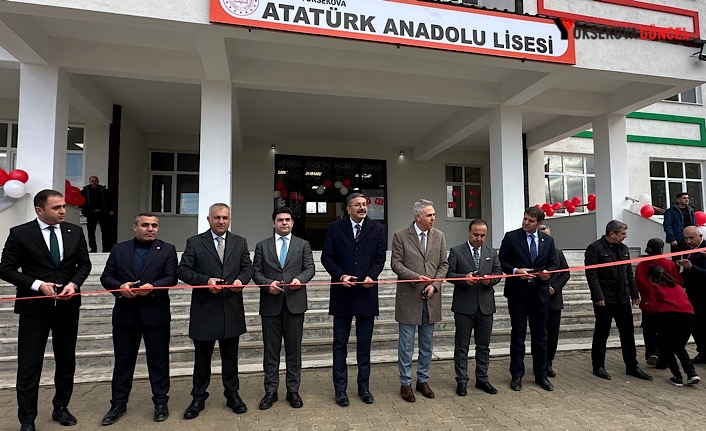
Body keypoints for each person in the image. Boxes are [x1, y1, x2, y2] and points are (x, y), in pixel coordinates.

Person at [0, 189, 92, 431]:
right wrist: (37, 285)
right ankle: (27, 419)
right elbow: (6, 269)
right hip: (34, 308)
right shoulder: (20, 234)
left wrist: (74, 284)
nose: (63, 211)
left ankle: (61, 407)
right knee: (29, 365)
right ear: (39, 210)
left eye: (63, 206)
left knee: (65, 361)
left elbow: (84, 264)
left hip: (67, 306)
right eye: (56, 207)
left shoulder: (75, 231)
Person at [98, 213, 178, 425]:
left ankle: (161, 402)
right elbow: (106, 276)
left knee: (159, 362)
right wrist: (120, 288)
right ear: (135, 227)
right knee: (123, 362)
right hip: (126, 315)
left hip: (156, 314)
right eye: (145, 225)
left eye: (154, 225)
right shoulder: (119, 249)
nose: (150, 228)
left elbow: (171, 278)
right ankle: (118, 404)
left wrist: (153, 288)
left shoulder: (168, 249)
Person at [177, 203, 254, 419]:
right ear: (208, 219)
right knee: (202, 359)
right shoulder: (195, 242)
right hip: (204, 310)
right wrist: (205, 281)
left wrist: (241, 280)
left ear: (230, 219)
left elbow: (248, 267)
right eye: (217, 217)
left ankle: (232, 395)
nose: (221, 221)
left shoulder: (239, 242)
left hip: (231, 309)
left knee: (231, 358)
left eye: (225, 218)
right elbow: (182, 270)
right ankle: (198, 398)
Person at [321, 193, 386, 407]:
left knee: (364, 345)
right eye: (357, 205)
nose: (362, 208)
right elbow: (327, 257)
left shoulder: (376, 229)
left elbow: (379, 258)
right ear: (347, 208)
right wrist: (341, 276)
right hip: (342, 294)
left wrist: (372, 276)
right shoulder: (335, 228)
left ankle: (363, 388)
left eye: (364, 204)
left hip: (366, 294)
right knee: (340, 345)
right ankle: (340, 390)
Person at [252, 207, 315, 410]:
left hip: (295, 304)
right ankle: (270, 391)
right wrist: (267, 284)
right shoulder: (262, 246)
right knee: (270, 351)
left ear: (292, 223)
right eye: (280, 220)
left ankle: (293, 391)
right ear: (273, 223)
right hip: (271, 304)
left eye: (288, 220)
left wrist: (300, 279)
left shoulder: (302, 244)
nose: (284, 223)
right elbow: (256, 272)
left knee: (293, 351)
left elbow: (310, 268)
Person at [391, 199, 448, 403]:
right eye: (429, 215)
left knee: (427, 342)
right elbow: (396, 263)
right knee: (406, 344)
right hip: (409, 297)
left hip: (431, 297)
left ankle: (422, 380)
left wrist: (435, 285)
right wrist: (416, 277)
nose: (433, 218)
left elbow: (443, 265)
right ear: (418, 217)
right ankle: (405, 383)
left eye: (434, 214)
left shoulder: (439, 236)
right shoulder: (400, 235)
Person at [585, 220, 652, 382]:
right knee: (602, 333)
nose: (625, 236)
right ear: (612, 233)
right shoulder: (595, 249)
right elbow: (591, 275)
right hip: (605, 299)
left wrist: (634, 293)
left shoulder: (623, 249)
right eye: (623, 233)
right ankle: (598, 366)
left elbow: (629, 272)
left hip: (622, 297)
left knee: (628, 333)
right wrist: (598, 296)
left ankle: (632, 366)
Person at [498, 207, 556, 392]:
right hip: (518, 294)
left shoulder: (548, 240)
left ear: (539, 223)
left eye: (530, 221)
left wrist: (548, 274)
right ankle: (516, 375)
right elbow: (502, 262)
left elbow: (553, 263)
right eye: (524, 219)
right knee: (518, 335)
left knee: (541, 337)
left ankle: (541, 375)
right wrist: (515, 271)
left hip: (540, 294)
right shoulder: (511, 237)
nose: (525, 223)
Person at [446, 219, 502, 396]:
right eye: (476, 235)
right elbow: (449, 274)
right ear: (469, 233)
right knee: (462, 346)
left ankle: (482, 379)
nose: (479, 238)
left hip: (485, 307)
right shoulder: (456, 251)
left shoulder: (491, 252)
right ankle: (461, 381)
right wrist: (464, 278)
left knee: (483, 346)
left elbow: (498, 273)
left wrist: (490, 280)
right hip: (464, 306)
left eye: (483, 235)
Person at [647, 265, 700, 387]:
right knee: (679, 347)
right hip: (689, 317)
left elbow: (652, 307)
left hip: (669, 318)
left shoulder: (655, 287)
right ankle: (691, 373)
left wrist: (646, 305)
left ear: (650, 278)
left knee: (667, 348)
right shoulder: (677, 286)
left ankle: (677, 376)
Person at [634, 238, 682, 368]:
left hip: (648, 302)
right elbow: (677, 281)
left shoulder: (641, 265)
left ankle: (651, 352)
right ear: (661, 249)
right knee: (664, 331)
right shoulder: (668, 264)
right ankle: (663, 358)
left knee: (649, 330)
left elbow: (637, 282)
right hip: (665, 303)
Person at [538, 225, 570, 378]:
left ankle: (548, 362)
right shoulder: (532, 254)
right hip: (537, 299)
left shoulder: (557, 253)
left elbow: (565, 273)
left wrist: (554, 288)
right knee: (539, 334)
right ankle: (539, 363)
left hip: (553, 300)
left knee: (552, 334)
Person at [676, 226, 706, 364]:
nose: (688, 241)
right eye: (686, 238)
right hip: (693, 294)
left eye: (691, 238)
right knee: (697, 326)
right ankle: (702, 352)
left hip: (704, 294)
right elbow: (689, 273)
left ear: (700, 236)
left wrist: (691, 268)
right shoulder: (690, 250)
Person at [80, 176, 116, 253]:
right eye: (92, 181)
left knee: (105, 232)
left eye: (95, 181)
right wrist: (85, 212)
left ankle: (106, 248)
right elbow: (81, 203)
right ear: (90, 182)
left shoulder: (104, 191)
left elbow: (111, 200)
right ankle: (93, 249)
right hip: (91, 214)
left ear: (98, 181)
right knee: (91, 232)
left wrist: (111, 209)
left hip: (103, 213)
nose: (94, 183)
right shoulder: (85, 191)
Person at [663, 192, 695, 260]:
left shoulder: (690, 210)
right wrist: (672, 239)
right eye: (684, 198)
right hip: (677, 240)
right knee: (676, 261)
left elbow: (694, 224)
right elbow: (667, 225)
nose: (687, 200)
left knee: (689, 260)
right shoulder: (671, 211)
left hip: (689, 240)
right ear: (678, 200)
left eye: (687, 198)